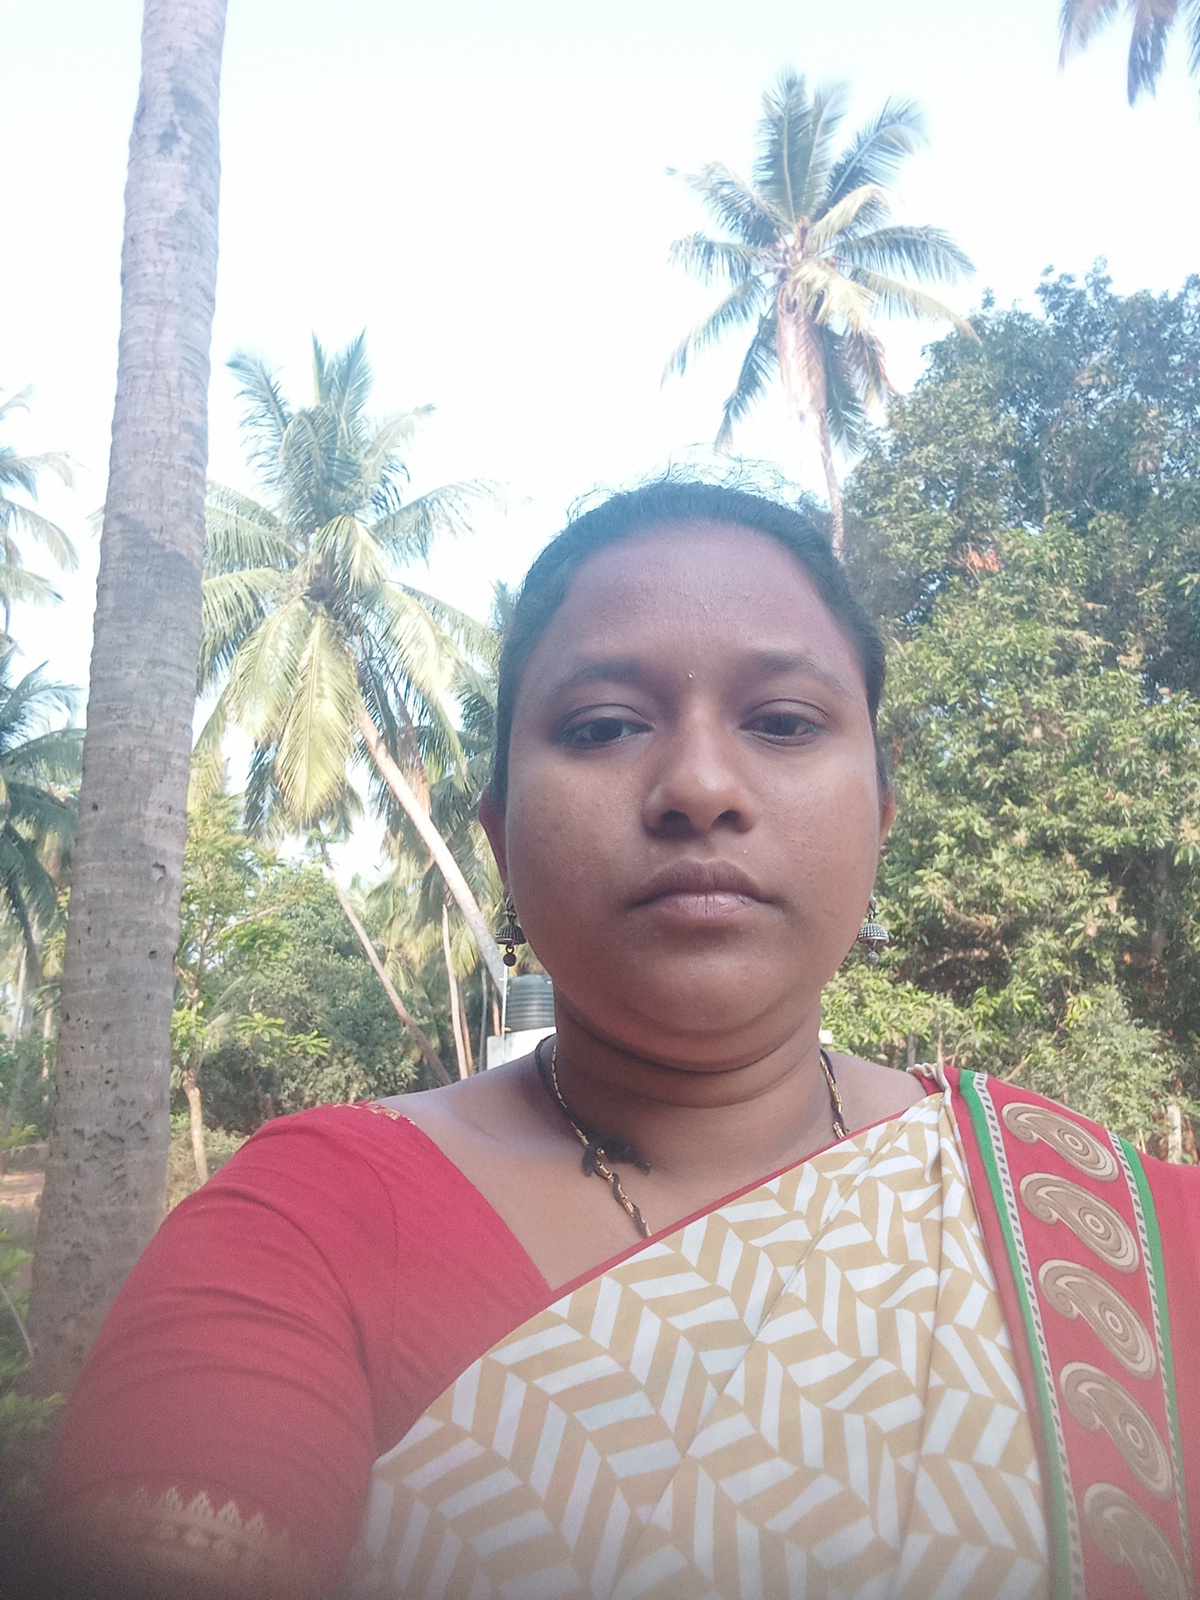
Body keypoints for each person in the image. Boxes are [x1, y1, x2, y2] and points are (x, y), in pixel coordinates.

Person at [42, 478, 1199, 1600]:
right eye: (603, 726)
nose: (698, 785)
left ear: (882, 818)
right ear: (500, 836)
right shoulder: (307, 1228)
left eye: (784, 722)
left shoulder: (1103, 1238)